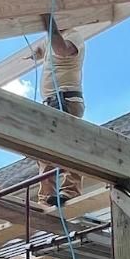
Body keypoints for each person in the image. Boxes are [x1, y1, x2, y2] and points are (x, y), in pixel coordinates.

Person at [40, 17, 85, 204]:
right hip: (51, 102)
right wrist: (36, 53)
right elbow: (45, 48)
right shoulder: (50, 39)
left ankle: (70, 191)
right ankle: (46, 196)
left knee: (69, 146)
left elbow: (62, 49)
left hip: (66, 99)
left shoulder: (74, 36)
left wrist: (47, 19)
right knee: (43, 151)